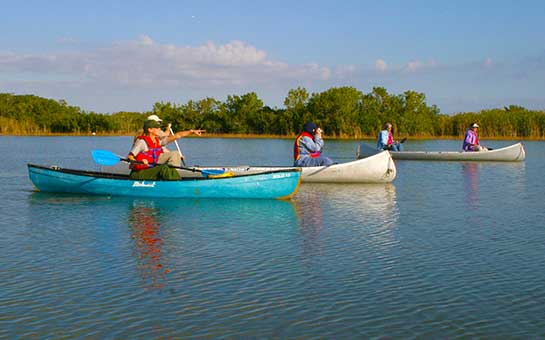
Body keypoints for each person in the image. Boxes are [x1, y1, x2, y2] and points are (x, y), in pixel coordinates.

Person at [127, 119, 204, 180]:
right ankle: (174, 182)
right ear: (150, 129)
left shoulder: (157, 141)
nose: (159, 129)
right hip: (139, 173)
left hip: (151, 169)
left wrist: (192, 131)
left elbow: (177, 135)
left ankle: (173, 177)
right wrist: (140, 162)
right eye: (157, 128)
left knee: (175, 154)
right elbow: (130, 157)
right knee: (163, 168)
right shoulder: (141, 142)